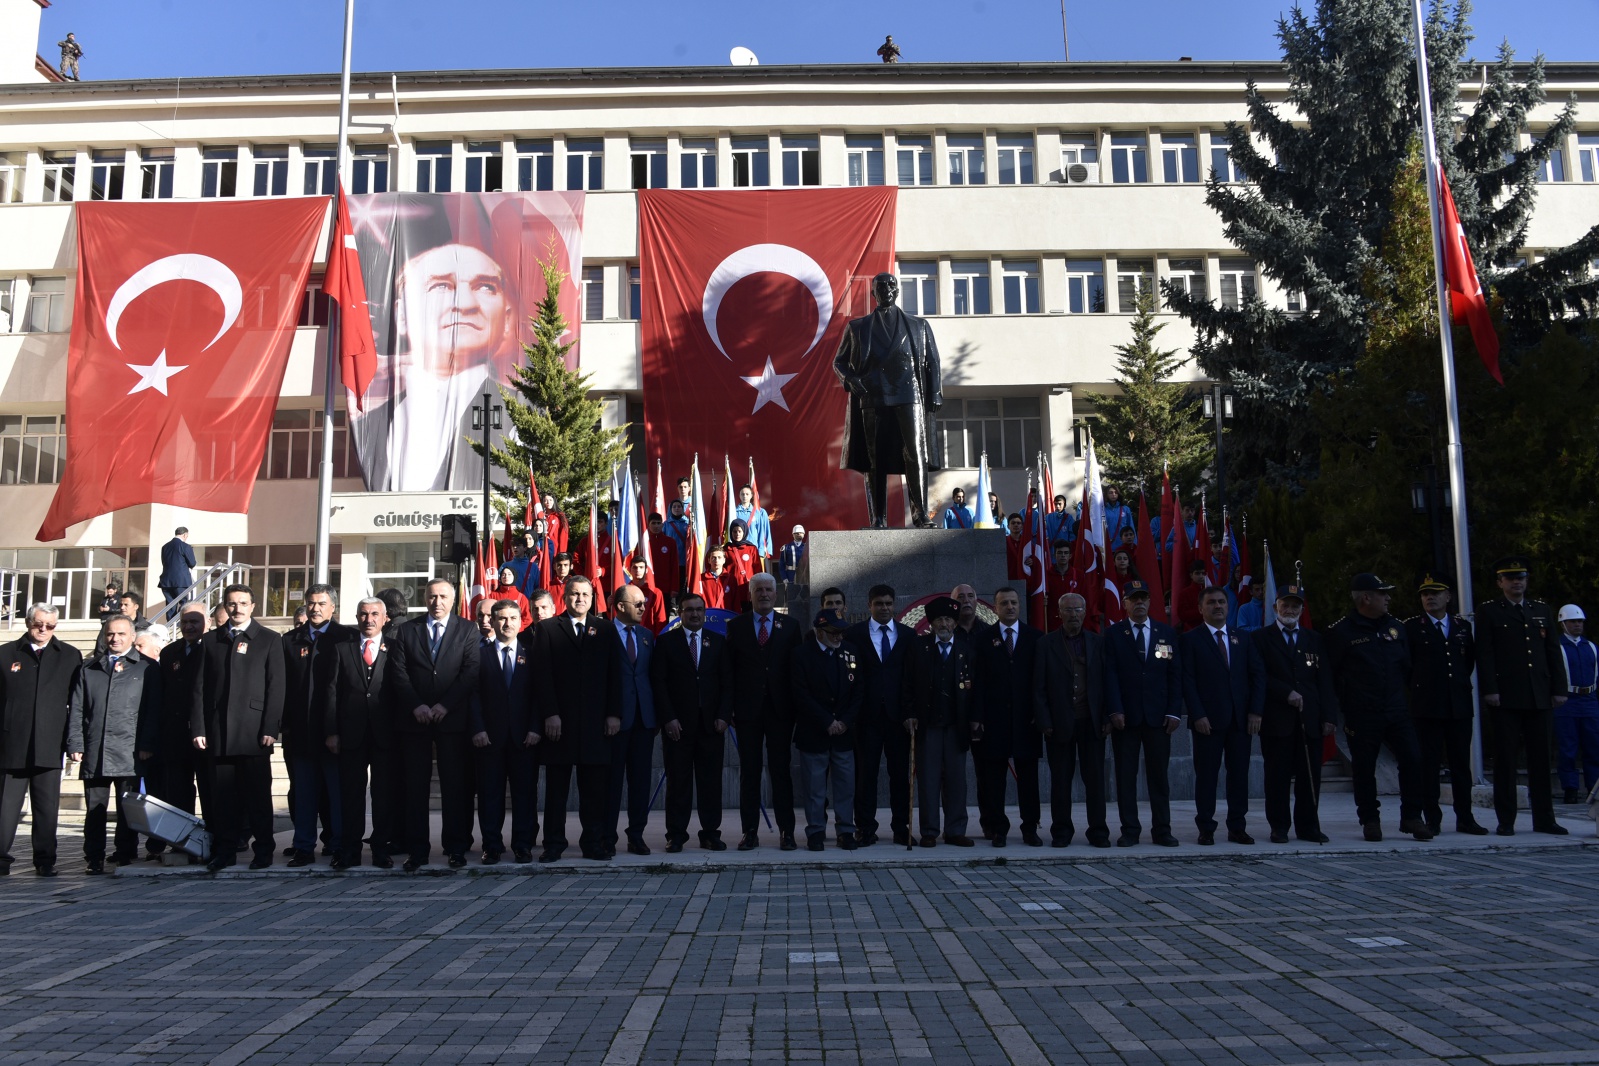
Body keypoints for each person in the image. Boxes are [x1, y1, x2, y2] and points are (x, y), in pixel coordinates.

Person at [350, 241, 520, 492]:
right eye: (440, 286)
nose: (464, 303)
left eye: (485, 287)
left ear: (506, 319)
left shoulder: (525, 412)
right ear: (403, 316)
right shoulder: (370, 424)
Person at [1325, 573, 1433, 842]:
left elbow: (1406, 667)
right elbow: (1331, 675)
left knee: (1413, 759)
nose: (1388, 598)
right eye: (1382, 593)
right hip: (1362, 711)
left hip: (1396, 709)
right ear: (1366, 598)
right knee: (1364, 767)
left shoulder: (1395, 628)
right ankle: (1370, 819)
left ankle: (1412, 816)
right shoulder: (1342, 632)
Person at [834, 272, 942, 528]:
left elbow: (933, 362)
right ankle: (878, 518)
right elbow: (839, 362)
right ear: (873, 293)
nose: (887, 289)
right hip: (873, 396)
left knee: (916, 453)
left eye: (891, 285)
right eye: (881, 286)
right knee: (875, 458)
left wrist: (935, 391)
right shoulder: (857, 327)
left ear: (897, 290)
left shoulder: (919, 325)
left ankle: (920, 514)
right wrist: (852, 380)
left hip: (910, 394)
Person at [190, 583, 285, 872]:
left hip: (254, 732)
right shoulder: (210, 641)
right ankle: (225, 851)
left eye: (243, 603)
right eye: (232, 603)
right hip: (218, 732)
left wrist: (271, 726)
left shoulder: (268, 639)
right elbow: (199, 689)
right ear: (225, 607)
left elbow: (276, 687)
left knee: (257, 797)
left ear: (253, 606)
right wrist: (199, 728)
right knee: (223, 799)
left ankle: (264, 850)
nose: (237, 608)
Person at [389, 578, 480, 870]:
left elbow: (470, 672)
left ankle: (455, 847)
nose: (436, 602)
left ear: (452, 600)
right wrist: (416, 704)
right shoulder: (406, 630)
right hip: (415, 720)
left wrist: (445, 705)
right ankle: (417, 850)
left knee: (455, 786)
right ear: (424, 598)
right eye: (431, 596)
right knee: (415, 788)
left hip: (452, 720)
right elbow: (399, 672)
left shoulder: (467, 629)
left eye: (442, 596)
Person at [1475, 557, 1569, 835]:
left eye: (1521, 578)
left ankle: (1545, 818)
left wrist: (1559, 689)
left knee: (1541, 760)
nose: (1517, 582)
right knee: (1506, 761)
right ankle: (1507, 820)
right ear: (1500, 582)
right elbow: (1485, 652)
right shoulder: (1490, 611)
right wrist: (1490, 689)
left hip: (1538, 695)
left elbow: (1553, 651)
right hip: (1506, 696)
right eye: (1511, 578)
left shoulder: (1540, 609)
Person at [532, 575, 620, 862]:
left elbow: (614, 676)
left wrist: (613, 714)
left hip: (596, 724)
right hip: (560, 724)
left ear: (593, 598)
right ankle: (553, 844)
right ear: (564, 597)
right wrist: (550, 714)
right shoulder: (547, 629)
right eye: (574, 594)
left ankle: (593, 843)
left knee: (594, 790)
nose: (580, 599)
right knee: (556, 790)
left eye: (585, 594)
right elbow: (541, 676)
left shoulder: (605, 629)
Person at [67, 616, 160, 873]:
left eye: (121, 634)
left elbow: (154, 711)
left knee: (126, 807)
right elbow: (77, 709)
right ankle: (94, 857)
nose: (115, 639)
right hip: (95, 748)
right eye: (110, 634)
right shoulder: (89, 669)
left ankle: (125, 851)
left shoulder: (147, 668)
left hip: (130, 750)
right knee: (95, 810)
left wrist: (147, 743)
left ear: (132, 637)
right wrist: (75, 743)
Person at [1252, 584, 1338, 843]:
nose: (1290, 610)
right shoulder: (1260, 638)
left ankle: (1309, 826)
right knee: (1277, 777)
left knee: (1309, 777)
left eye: (1295, 605)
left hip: (1309, 719)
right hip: (1277, 719)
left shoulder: (1315, 639)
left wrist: (1329, 716)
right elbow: (1259, 676)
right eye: (1285, 605)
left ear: (1302, 608)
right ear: (1275, 606)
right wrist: (1285, 692)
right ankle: (1279, 826)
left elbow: (1324, 680)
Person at [0, 606, 82, 876]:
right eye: (38, 624)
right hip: (11, 746)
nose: (43, 629)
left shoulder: (69, 656)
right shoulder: (5, 653)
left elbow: (77, 704)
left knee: (46, 808)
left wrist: (73, 743)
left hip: (49, 744)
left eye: (50, 625)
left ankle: (45, 861)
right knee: (5, 808)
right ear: (27, 623)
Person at [1180, 584, 1265, 845]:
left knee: (1238, 775)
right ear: (1201, 608)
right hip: (1207, 721)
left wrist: (1255, 711)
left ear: (1229, 607)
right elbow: (1187, 681)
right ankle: (1206, 827)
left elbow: (1258, 676)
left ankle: (1237, 826)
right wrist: (1198, 715)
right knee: (1206, 776)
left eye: (1222, 602)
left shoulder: (1243, 638)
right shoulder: (1190, 639)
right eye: (1212, 603)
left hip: (1240, 720)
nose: (1218, 606)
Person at [1404, 576, 1488, 836]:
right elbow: (1408, 666)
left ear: (1448, 597)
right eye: (1425, 594)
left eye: (1436, 593)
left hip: (1458, 705)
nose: (1430, 598)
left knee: (1461, 764)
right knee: (1428, 765)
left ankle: (1465, 817)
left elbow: (1468, 662)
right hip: (1427, 706)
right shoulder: (1412, 628)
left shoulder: (1462, 627)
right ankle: (1432, 818)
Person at [1102, 579, 1182, 847]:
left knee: (1159, 777)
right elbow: (1109, 675)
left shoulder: (1165, 633)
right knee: (1126, 777)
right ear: (1124, 603)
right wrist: (1114, 709)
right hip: (1126, 718)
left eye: (1143, 598)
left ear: (1150, 601)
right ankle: (1130, 830)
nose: (1139, 603)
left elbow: (1174, 675)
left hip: (1159, 718)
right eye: (1133, 599)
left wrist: (1174, 711)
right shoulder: (1113, 634)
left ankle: (1162, 830)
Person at [725, 573, 801, 850]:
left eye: (769, 589)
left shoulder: (791, 626)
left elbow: (797, 671)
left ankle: (786, 832)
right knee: (750, 772)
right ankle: (750, 832)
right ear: (751, 594)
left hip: (781, 710)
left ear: (776, 593)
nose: (765, 594)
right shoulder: (736, 625)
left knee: (781, 771)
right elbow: (729, 671)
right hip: (747, 711)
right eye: (760, 590)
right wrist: (729, 707)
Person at [651, 592, 731, 852]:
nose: (695, 614)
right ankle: (676, 835)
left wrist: (723, 715)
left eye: (699, 609)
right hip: (678, 727)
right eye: (689, 610)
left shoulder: (718, 642)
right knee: (678, 782)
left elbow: (727, 683)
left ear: (704, 612)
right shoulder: (666, 642)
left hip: (711, 726)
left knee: (710, 782)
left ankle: (710, 833)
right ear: (680, 613)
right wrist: (668, 718)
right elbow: (659, 684)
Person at [1032, 592, 1111, 847]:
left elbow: (1108, 684)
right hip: (1059, 723)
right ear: (1059, 612)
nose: (1073, 615)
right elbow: (1038, 687)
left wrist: (1108, 716)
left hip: (1092, 722)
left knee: (1095, 780)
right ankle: (1061, 832)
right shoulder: (1046, 644)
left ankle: (1098, 831)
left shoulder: (1098, 643)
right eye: (1068, 610)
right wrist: (1044, 721)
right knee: (1061, 781)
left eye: (1077, 610)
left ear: (1085, 611)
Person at [324, 597, 398, 869]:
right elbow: (332, 692)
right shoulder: (341, 649)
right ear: (357, 617)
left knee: (383, 795)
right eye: (364, 614)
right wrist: (331, 731)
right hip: (350, 734)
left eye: (375, 614)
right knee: (351, 794)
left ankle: (381, 849)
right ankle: (349, 850)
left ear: (385, 618)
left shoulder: (396, 648)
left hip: (385, 735)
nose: (369, 619)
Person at [280, 583, 349, 867]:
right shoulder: (290, 640)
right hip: (301, 733)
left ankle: (339, 846)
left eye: (322, 603)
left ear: (333, 607)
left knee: (337, 796)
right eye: (311, 603)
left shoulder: (346, 638)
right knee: (304, 796)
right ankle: (304, 848)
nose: (315, 608)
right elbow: (281, 686)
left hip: (336, 734)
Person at [843, 585, 916, 847]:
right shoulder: (855, 635)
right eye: (879, 603)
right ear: (869, 605)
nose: (884, 608)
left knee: (900, 776)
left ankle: (901, 828)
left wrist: (911, 713)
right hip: (866, 718)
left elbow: (912, 678)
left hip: (899, 718)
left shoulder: (908, 636)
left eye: (888, 603)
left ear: (894, 604)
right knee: (866, 775)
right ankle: (865, 828)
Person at [971, 586, 1043, 847]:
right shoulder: (983, 639)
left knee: (1028, 780)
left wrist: (1040, 714)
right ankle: (998, 829)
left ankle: (1030, 827)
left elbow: (1041, 681)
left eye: (1014, 602)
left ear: (1019, 606)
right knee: (993, 781)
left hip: (1027, 721)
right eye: (1005, 603)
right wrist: (977, 717)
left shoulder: (1036, 637)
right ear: (995, 607)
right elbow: (978, 682)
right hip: (994, 721)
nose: (1010, 607)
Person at [901, 596, 976, 846]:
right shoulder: (918, 648)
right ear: (931, 624)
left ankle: (955, 830)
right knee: (929, 779)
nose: (944, 624)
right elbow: (908, 685)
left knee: (957, 781)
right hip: (927, 725)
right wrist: (909, 713)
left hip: (957, 726)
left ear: (955, 623)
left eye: (948, 619)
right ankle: (930, 830)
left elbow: (978, 688)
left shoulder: (967, 649)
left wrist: (976, 718)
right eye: (939, 620)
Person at [471, 599, 539, 864]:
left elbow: (538, 695)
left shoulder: (531, 654)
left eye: (512, 618)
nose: (507, 623)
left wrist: (535, 727)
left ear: (521, 621)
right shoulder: (479, 655)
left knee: (524, 794)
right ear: (492, 621)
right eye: (501, 618)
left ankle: (522, 845)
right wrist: (478, 728)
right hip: (489, 737)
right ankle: (492, 846)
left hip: (525, 738)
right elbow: (472, 695)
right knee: (490, 795)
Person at [791, 609, 861, 850]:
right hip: (815, 732)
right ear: (820, 632)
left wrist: (844, 721)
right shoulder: (801, 655)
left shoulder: (851, 651)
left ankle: (845, 831)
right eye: (833, 632)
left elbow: (859, 692)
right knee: (814, 788)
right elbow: (800, 694)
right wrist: (826, 721)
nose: (839, 637)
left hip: (843, 733)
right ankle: (816, 831)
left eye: (841, 631)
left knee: (845, 786)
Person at [605, 583, 658, 857]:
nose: (643, 607)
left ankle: (636, 835)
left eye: (644, 603)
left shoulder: (647, 635)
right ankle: (608, 836)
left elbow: (653, 677)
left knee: (640, 783)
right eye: (637, 603)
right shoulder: (603, 634)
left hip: (644, 721)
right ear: (621, 606)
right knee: (612, 782)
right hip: (615, 722)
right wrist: (609, 713)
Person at [153, 604, 209, 859]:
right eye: (185, 621)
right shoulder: (169, 653)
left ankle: (211, 840)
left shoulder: (213, 649)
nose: (189, 626)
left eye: (195, 621)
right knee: (177, 791)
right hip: (174, 736)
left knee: (210, 791)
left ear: (206, 622)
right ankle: (181, 841)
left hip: (205, 735)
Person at [1555, 605, 1599, 804]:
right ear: (1563, 623)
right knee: (1567, 748)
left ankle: (1594, 788)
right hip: (1567, 702)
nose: (1577, 625)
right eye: (1573, 621)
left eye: (1580, 621)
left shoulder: (1590, 646)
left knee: (1594, 748)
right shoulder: (1558, 647)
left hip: (1589, 700)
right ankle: (1570, 788)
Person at [723, 520, 761, 612]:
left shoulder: (751, 548)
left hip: (747, 590)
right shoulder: (726, 549)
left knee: (747, 617)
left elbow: (758, 570)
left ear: (744, 532)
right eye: (734, 531)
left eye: (739, 531)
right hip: (731, 589)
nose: (737, 534)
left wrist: (757, 588)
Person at [626, 556, 668, 633]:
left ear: (646, 570)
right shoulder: (624, 591)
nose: (638, 570)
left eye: (641, 567)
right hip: (628, 636)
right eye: (634, 567)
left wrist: (658, 641)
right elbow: (618, 617)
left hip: (649, 638)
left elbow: (660, 619)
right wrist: (609, 607)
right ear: (629, 570)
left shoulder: (655, 593)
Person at [158, 527, 197, 608]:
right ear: (185, 535)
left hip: (166, 581)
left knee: (170, 606)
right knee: (184, 604)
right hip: (181, 581)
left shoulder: (165, 547)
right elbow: (192, 563)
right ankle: (181, 620)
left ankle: (170, 621)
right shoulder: (185, 546)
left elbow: (164, 562)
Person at [647, 514, 682, 599]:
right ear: (648, 524)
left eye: (658, 523)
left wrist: (674, 588)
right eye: (653, 523)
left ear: (662, 525)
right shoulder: (644, 542)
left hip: (665, 588)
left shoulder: (670, 542)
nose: (656, 526)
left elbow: (674, 566)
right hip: (647, 586)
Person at [734, 485, 774, 559]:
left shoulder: (758, 512)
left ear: (751, 496)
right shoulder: (734, 512)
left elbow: (761, 532)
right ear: (739, 496)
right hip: (739, 548)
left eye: (747, 494)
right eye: (742, 494)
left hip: (754, 549)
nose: (744, 496)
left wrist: (762, 551)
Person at [488, 566, 533, 630]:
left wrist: (517, 629)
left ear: (514, 577)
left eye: (509, 574)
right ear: (500, 577)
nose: (506, 576)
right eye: (503, 574)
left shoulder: (521, 597)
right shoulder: (492, 596)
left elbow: (527, 618)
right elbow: (488, 614)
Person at [1174, 560, 1208, 632]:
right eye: (1197, 573)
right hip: (1192, 630)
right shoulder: (1184, 593)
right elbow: (1182, 615)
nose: (1201, 576)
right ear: (1191, 575)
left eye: (1203, 573)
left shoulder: (1210, 590)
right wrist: (1203, 612)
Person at [1005, 514, 1029, 581]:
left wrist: (1032, 561)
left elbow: (1033, 557)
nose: (1016, 525)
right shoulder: (1003, 542)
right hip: (1008, 578)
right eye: (1013, 523)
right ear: (1008, 526)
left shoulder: (1027, 543)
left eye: (1018, 523)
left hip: (1024, 579)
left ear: (1022, 526)